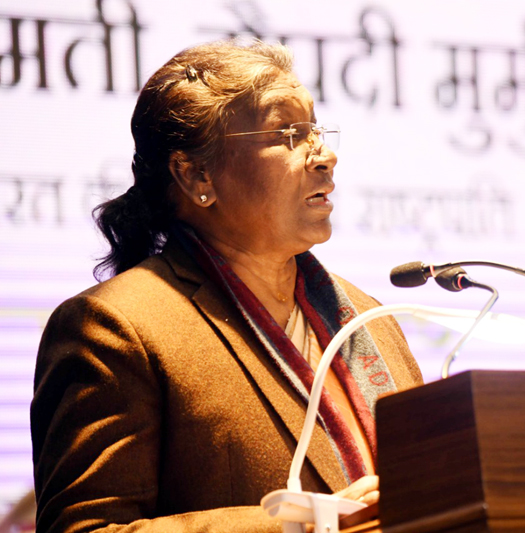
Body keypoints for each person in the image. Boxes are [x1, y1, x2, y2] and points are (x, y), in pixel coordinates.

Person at [30, 40, 423, 533]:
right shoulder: (115, 328)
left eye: (316, 130)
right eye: (288, 134)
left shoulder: (371, 320)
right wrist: (304, 525)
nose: (326, 156)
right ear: (197, 174)